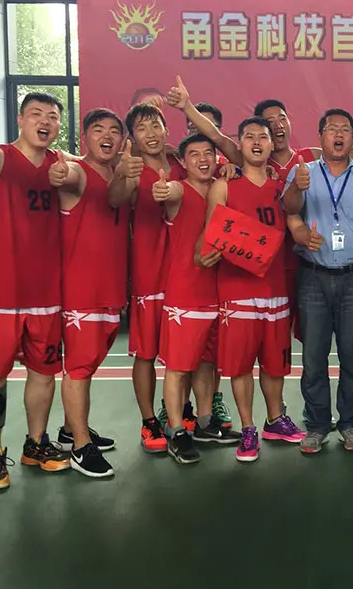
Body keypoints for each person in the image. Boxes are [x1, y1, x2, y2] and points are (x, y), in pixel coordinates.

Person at [0, 91, 70, 490]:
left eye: (53, 116)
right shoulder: (0, 160)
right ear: (21, 120)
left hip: (46, 294)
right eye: (36, 114)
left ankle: (36, 444)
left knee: (44, 373)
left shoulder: (60, 164)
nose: (45, 121)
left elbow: (91, 168)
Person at [282, 108, 353, 454]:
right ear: (321, 137)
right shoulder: (303, 171)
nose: (339, 134)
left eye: (345, 129)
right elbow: (290, 210)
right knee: (314, 357)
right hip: (313, 277)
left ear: (352, 138)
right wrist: (298, 194)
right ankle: (316, 425)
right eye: (332, 129)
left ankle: (350, 423)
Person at [206, 116, 306, 463]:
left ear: (271, 143)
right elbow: (211, 235)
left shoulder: (281, 187)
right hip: (237, 291)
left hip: (275, 289)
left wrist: (307, 235)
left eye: (262, 137)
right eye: (249, 136)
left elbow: (294, 221)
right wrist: (209, 253)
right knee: (240, 366)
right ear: (240, 144)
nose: (256, 142)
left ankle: (275, 419)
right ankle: (248, 427)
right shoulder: (224, 187)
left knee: (275, 364)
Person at [48, 108, 127, 477]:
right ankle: (81, 447)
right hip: (81, 291)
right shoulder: (79, 172)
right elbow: (68, 174)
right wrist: (61, 173)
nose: (106, 136)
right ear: (84, 137)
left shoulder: (120, 175)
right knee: (78, 368)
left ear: (122, 140)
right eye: (98, 130)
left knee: (89, 364)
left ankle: (70, 430)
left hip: (110, 289)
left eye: (114, 130)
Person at [108, 103, 184, 452]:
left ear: (167, 129)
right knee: (147, 353)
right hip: (149, 275)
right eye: (142, 128)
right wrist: (122, 176)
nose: (151, 133)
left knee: (183, 353)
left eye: (156, 125)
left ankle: (179, 411)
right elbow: (115, 199)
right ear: (133, 137)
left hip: (184, 273)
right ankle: (149, 420)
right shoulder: (133, 170)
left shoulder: (181, 164)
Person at [157, 133, 237, 464]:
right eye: (194, 154)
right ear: (184, 161)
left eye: (208, 153)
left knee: (207, 364)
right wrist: (163, 190)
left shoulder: (223, 188)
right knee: (178, 368)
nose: (203, 159)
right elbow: (169, 191)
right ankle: (177, 431)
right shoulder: (178, 190)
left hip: (218, 293)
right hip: (185, 295)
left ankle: (204, 423)